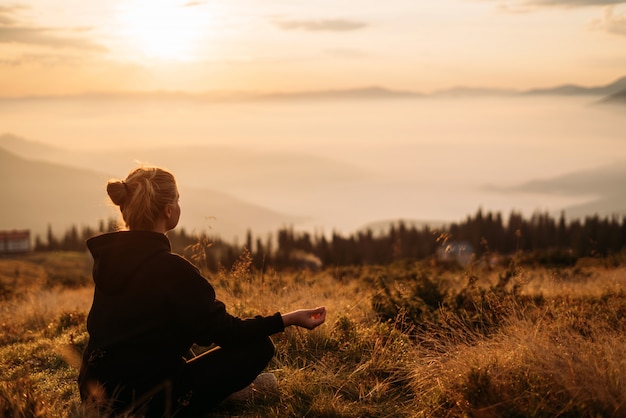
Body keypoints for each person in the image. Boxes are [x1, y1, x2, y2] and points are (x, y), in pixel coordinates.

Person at [78, 165, 326, 417]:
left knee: (176, 339)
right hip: (143, 402)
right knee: (259, 347)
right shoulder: (172, 269)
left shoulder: (111, 262)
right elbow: (228, 333)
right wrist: (288, 319)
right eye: (177, 200)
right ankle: (213, 397)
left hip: (96, 395)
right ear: (168, 210)